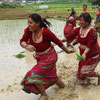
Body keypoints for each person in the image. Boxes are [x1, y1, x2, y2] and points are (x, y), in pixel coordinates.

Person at [20, 13, 74, 100]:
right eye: (28, 23)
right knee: (52, 76)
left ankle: (44, 94)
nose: (28, 25)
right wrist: (26, 45)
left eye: (31, 23)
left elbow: (58, 42)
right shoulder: (28, 30)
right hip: (40, 58)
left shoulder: (46, 32)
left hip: (50, 57)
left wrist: (67, 51)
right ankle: (64, 88)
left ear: (37, 23)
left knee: (32, 75)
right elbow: (22, 41)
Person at [67, 13, 100, 85]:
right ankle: (84, 78)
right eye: (80, 20)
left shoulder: (92, 31)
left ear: (87, 22)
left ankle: (98, 76)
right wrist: (58, 41)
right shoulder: (79, 29)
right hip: (83, 54)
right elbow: (69, 36)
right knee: (79, 75)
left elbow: (89, 45)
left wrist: (84, 53)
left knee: (84, 72)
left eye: (82, 20)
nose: (80, 22)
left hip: (92, 54)